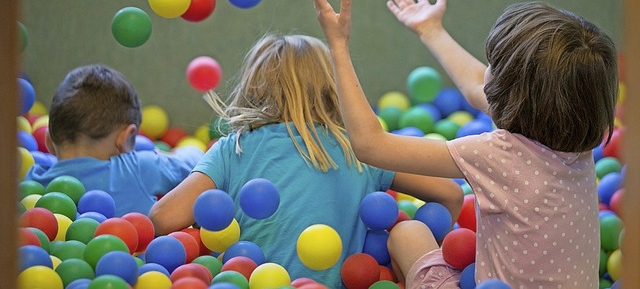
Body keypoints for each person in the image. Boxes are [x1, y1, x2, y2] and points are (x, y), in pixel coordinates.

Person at [308, 0, 617, 288]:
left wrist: (338, 46)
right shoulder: (577, 139)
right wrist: (430, 29)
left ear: (511, 93)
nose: (485, 72)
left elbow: (370, 145)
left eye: (492, 66)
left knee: (407, 233)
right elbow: (475, 86)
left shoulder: (497, 155)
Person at [149, 34, 463, 287]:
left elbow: (163, 218)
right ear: (334, 88)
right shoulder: (360, 149)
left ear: (254, 88)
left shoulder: (234, 149)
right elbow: (449, 193)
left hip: (249, 281)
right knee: (407, 234)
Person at [25, 64, 203, 216]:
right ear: (126, 138)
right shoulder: (137, 167)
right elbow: (196, 162)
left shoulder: (32, 183)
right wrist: (170, 153)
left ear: (49, 142)